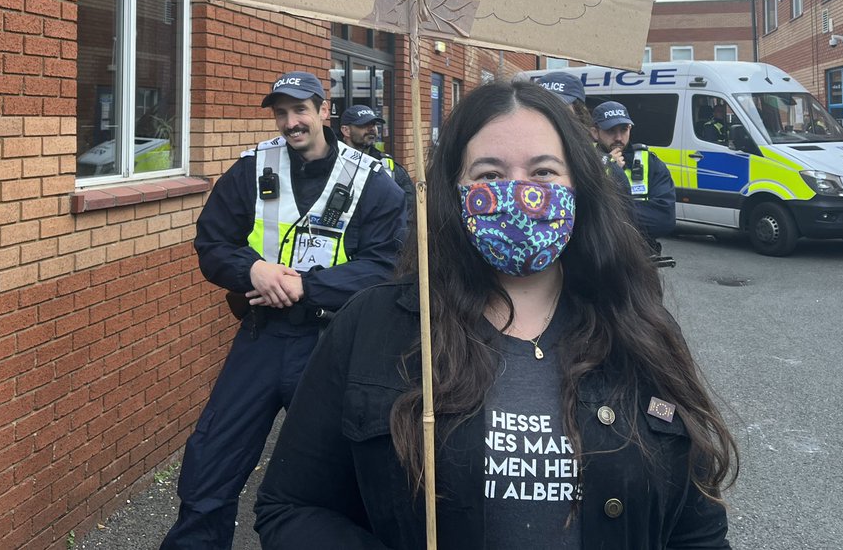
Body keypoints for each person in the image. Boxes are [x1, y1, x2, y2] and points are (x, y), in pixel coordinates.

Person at [256, 80, 737, 549]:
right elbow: (291, 505)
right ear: (453, 189)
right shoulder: (375, 325)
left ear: (580, 185)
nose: (517, 195)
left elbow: (696, 531)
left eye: (544, 172)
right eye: (488, 175)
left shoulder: (637, 327)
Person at [161, 71, 407, 549]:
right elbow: (211, 241)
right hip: (263, 336)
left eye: (300, 110)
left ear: (323, 110)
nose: (291, 122)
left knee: (346, 472)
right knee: (211, 458)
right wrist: (252, 271)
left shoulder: (373, 180)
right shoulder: (254, 167)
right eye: (281, 112)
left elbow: (387, 265)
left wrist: (303, 287)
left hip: (333, 344)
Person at [536, 73, 632, 202]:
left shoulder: (604, 167)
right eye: (540, 110)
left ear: (578, 116)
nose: (548, 119)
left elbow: (621, 217)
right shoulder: (509, 158)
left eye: (559, 111)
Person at [590, 100, 676, 244]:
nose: (618, 137)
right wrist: (607, 170)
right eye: (610, 130)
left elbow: (663, 220)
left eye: (624, 129)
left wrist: (605, 213)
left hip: (641, 256)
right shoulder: (583, 161)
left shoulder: (650, 162)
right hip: (595, 255)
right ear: (595, 132)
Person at [339, 104, 416, 231]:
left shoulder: (388, 167)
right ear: (346, 130)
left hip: (381, 244)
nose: (372, 129)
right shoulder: (333, 163)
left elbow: (409, 208)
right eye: (364, 125)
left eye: (374, 124)